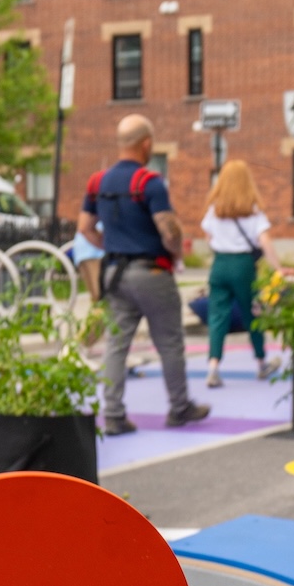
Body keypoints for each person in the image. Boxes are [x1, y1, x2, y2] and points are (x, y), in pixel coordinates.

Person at [79, 115, 209, 436]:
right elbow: (169, 230)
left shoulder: (98, 182)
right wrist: (175, 250)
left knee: (116, 345)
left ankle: (113, 414)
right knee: (168, 341)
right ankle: (179, 408)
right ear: (146, 144)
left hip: (114, 273)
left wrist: (107, 244)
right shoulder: (149, 183)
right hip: (151, 272)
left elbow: (84, 227)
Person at [199, 160, 284, 388]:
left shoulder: (215, 209)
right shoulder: (253, 211)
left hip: (220, 264)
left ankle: (213, 367)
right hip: (243, 265)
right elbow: (264, 240)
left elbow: (208, 236)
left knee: (217, 317)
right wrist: (278, 268)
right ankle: (261, 362)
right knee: (252, 314)